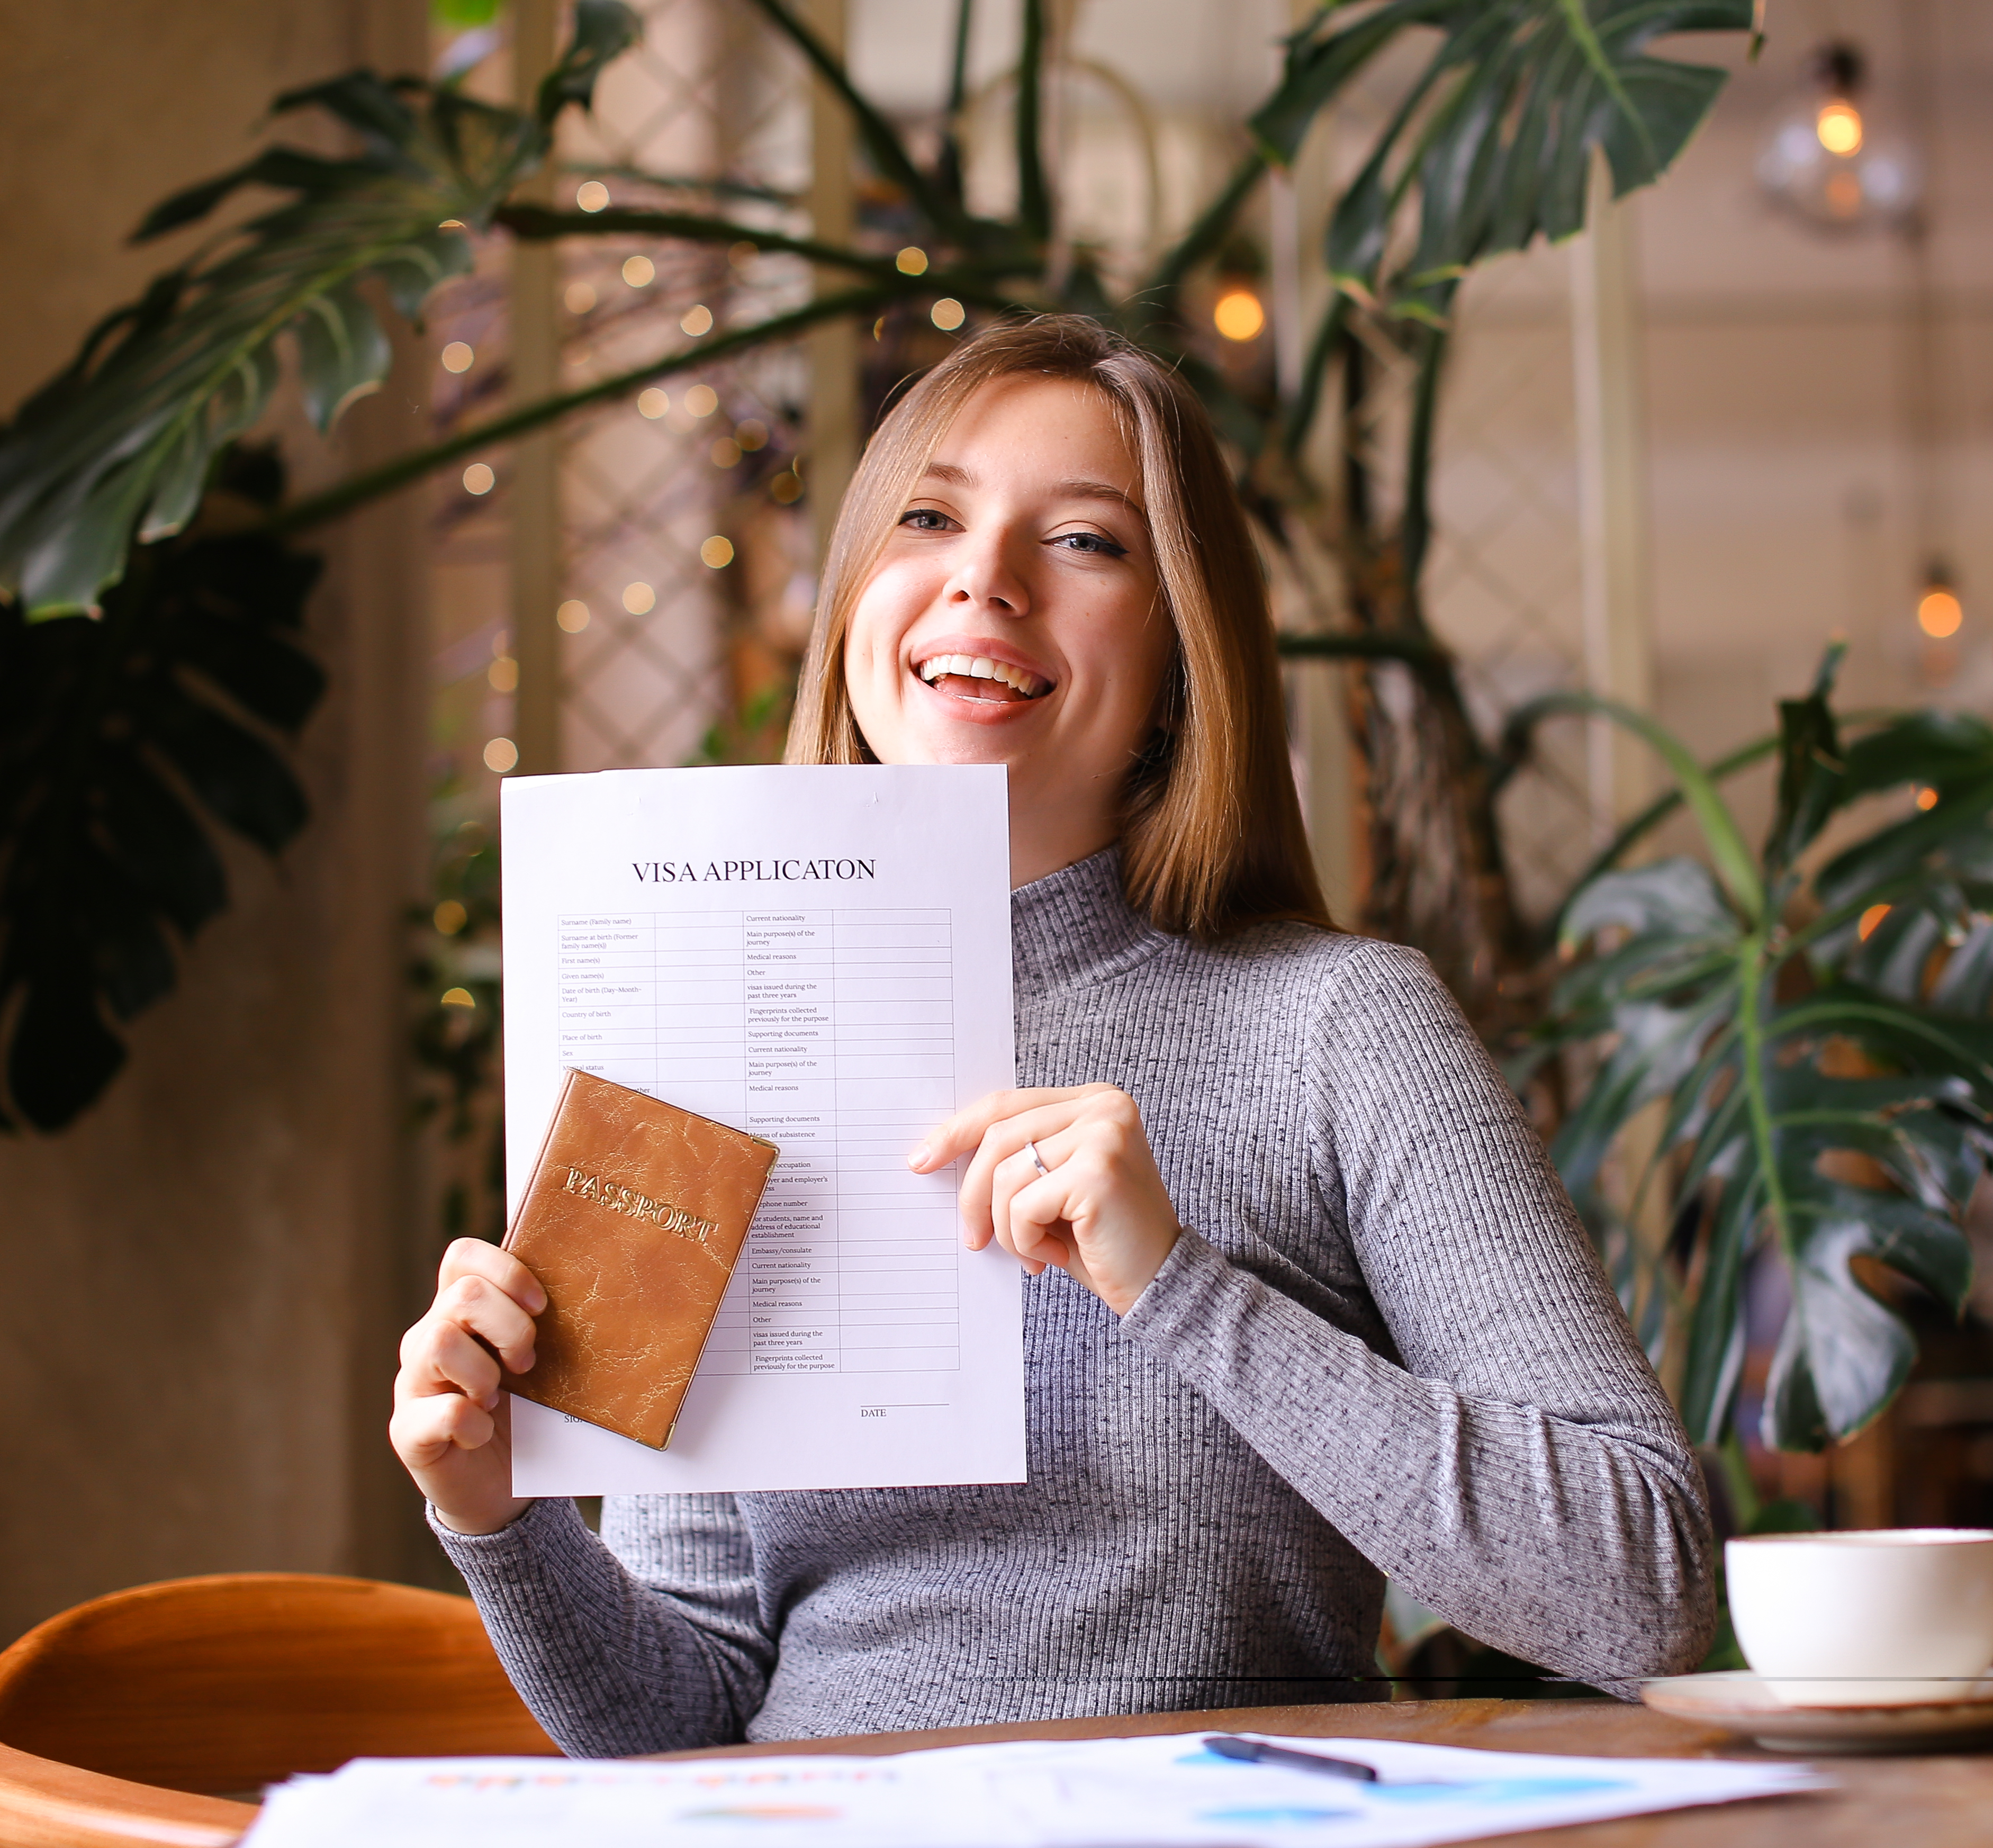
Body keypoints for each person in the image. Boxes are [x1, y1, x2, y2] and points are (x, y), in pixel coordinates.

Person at [388, 315, 1716, 1753]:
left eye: (1084, 541)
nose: (983, 577)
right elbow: (687, 1709)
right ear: (850, 609)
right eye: (927, 516)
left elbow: (1640, 1589)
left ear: (1179, 651)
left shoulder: (1339, 1029)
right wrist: (495, 1514)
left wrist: (1179, 1286)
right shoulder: (710, 1038)